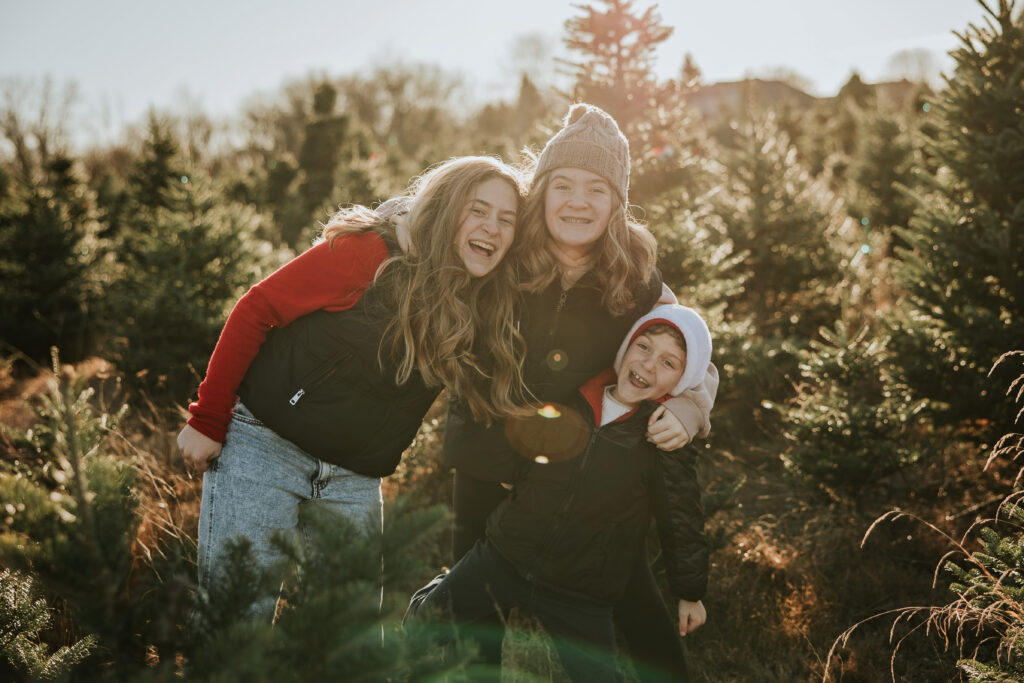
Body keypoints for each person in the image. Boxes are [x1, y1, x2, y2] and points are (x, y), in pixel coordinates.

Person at [176, 156, 529, 621]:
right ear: (444, 208)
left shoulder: (480, 298)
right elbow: (257, 308)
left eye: (507, 219)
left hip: (353, 478)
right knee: (235, 625)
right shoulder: (371, 252)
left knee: (353, 642)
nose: (492, 228)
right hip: (265, 447)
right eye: (478, 210)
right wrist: (207, 419)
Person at [442, 103, 718, 679]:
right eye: (562, 185)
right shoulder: (506, 254)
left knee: (631, 593)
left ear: (617, 203)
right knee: (474, 607)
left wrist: (690, 409)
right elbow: (441, 234)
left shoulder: (636, 277)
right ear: (539, 192)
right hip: (490, 453)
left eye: (596, 189)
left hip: (584, 468)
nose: (577, 202)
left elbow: (694, 352)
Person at [410, 304, 711, 683]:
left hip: (580, 591)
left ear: (683, 382)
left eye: (669, 363)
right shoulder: (574, 397)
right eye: (644, 347)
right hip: (506, 555)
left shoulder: (662, 439)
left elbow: (682, 520)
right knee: (430, 621)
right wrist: (510, 473)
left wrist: (690, 592)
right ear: (625, 348)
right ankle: (427, 604)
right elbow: (524, 433)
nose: (649, 365)